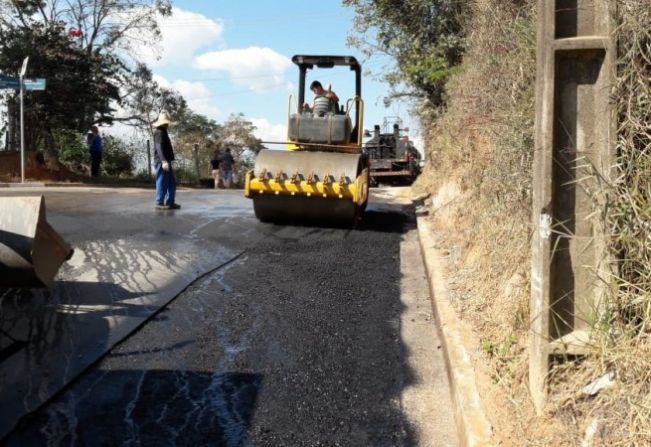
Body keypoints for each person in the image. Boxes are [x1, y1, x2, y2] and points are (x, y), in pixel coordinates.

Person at [152, 110, 180, 210]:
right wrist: (163, 161)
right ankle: (159, 202)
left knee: (171, 182)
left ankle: (170, 202)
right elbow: (158, 147)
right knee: (161, 181)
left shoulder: (164, 131)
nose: (167, 125)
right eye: (166, 123)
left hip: (166, 161)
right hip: (161, 161)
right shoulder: (159, 132)